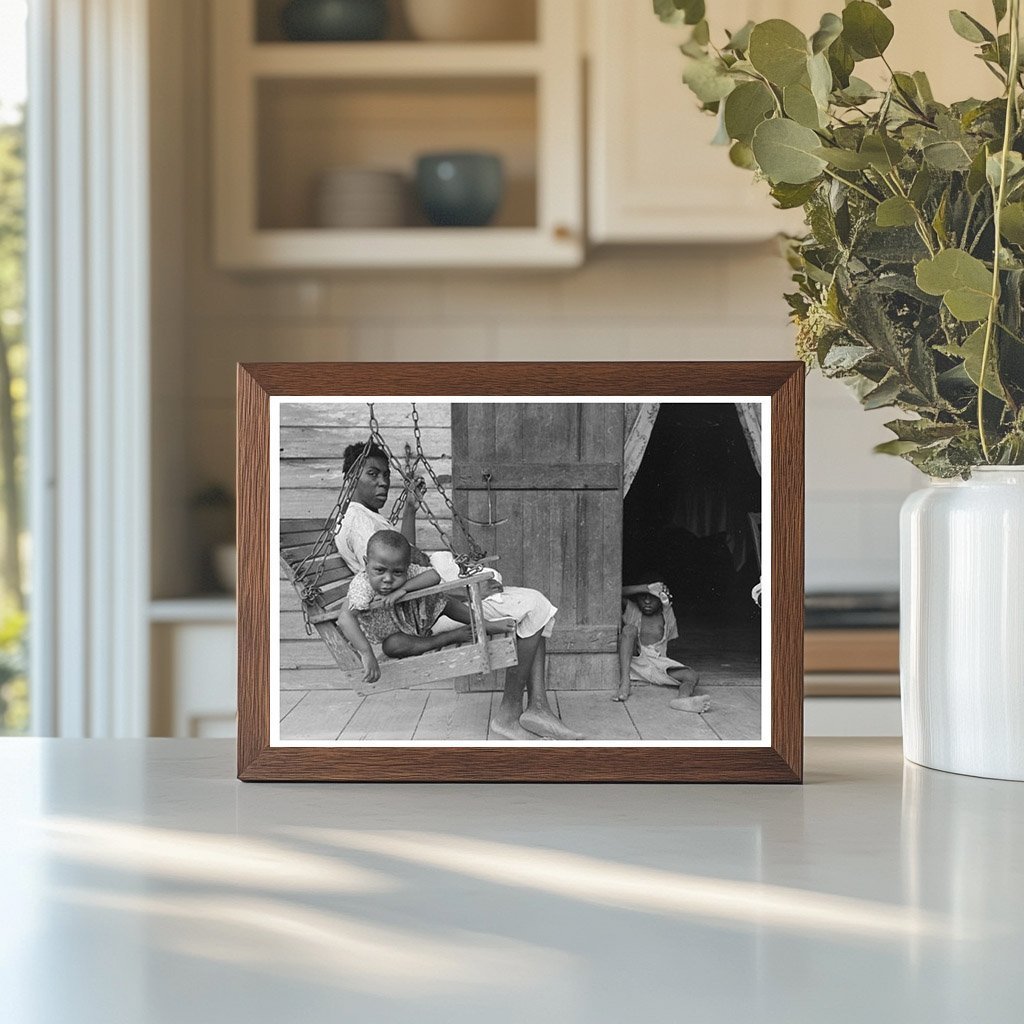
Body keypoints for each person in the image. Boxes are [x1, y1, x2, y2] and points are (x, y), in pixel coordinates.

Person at [334, 442, 582, 741]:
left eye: (386, 474)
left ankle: (538, 707)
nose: (383, 481)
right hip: (419, 615)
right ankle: (511, 714)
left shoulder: (367, 516)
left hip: (426, 601)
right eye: (372, 474)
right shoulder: (360, 522)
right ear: (350, 478)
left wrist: (410, 510)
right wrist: (467, 592)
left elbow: (403, 558)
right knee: (535, 606)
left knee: (531, 605)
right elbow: (390, 576)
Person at [338, 529, 514, 685]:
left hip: (416, 619)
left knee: (442, 600)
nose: (388, 579)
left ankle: (486, 624)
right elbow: (345, 618)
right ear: (366, 563)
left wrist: (403, 589)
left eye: (397, 572)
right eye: (379, 570)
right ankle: (448, 638)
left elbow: (433, 576)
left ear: (406, 567)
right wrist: (366, 653)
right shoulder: (362, 585)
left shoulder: (407, 571)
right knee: (391, 646)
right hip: (397, 635)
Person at [614, 577, 711, 713]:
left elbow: (666, 602)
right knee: (629, 629)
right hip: (634, 660)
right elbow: (614, 592)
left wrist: (661, 592)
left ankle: (682, 700)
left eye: (652, 597)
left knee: (692, 676)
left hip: (657, 663)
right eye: (643, 597)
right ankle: (625, 683)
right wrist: (646, 588)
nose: (647, 601)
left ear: (661, 599)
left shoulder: (667, 613)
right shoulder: (632, 609)